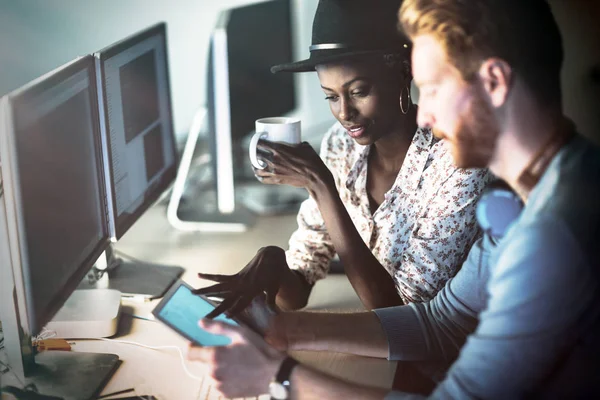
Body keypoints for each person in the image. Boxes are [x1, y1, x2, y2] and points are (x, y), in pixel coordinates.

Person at [188, 0, 600, 398]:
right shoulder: (546, 189)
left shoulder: (553, 237)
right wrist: (280, 331)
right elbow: (443, 323)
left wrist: (279, 379)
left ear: (493, 82)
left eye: (434, 88)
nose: (423, 116)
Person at [194, 0, 491, 315]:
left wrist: (322, 186)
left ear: (404, 73)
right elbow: (297, 292)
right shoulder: (341, 145)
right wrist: (272, 262)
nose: (345, 114)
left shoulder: (459, 162)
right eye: (331, 97)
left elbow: (403, 313)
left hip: (457, 348)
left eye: (359, 91)